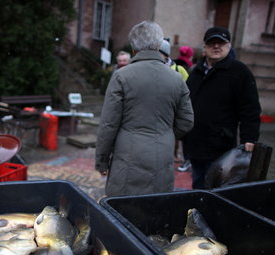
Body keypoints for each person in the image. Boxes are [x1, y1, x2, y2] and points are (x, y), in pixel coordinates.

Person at [95, 21, 194, 196]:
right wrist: (165, 135)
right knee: (156, 210)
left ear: (133, 48)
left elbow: (109, 124)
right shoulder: (176, 78)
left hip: (127, 157)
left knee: (122, 213)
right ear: (158, 45)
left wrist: (102, 161)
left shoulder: (121, 76)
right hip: (162, 155)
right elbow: (186, 121)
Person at [183, 26, 261, 189]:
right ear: (204, 47)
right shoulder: (196, 72)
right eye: (212, 43)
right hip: (195, 145)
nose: (216, 46)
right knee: (198, 187)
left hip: (220, 146)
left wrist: (249, 138)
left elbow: (250, 109)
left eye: (221, 42)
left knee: (217, 189)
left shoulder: (239, 72)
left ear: (228, 46)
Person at [159, 39, 190, 166]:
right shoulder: (152, 68)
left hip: (174, 108)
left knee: (173, 135)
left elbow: (187, 88)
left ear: (166, 54)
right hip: (158, 109)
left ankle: (174, 154)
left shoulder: (179, 69)